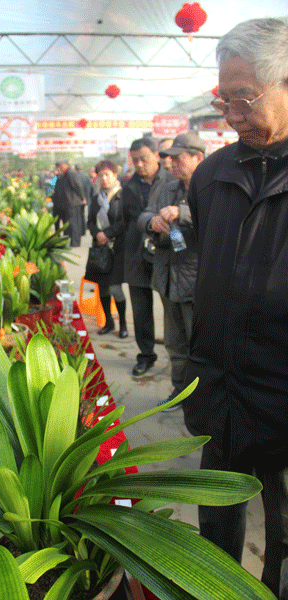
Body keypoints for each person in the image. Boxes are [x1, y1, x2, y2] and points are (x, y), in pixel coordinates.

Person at [182, 17, 288, 599]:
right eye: (224, 97)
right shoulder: (213, 174)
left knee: (286, 537)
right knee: (213, 531)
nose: (230, 112)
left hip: (282, 394)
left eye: (243, 97)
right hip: (219, 389)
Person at [137, 133, 205, 409]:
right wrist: (152, 221)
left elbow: (214, 217)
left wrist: (182, 213)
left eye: (178, 158)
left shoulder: (210, 187)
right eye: (170, 158)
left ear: (198, 157)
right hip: (167, 277)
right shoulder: (168, 187)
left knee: (199, 344)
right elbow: (145, 215)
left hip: (196, 280)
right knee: (175, 343)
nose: (172, 163)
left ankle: (202, 398)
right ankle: (180, 391)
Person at [122, 137, 175, 377]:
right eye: (135, 161)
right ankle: (146, 355)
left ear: (157, 155)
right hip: (136, 254)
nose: (140, 165)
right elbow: (123, 221)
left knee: (171, 309)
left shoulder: (172, 181)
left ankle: (178, 359)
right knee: (141, 309)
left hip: (165, 253)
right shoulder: (129, 186)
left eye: (144, 159)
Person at [87, 160, 128, 338]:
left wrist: (108, 234)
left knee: (116, 288)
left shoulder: (123, 196)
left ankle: (123, 324)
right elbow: (89, 221)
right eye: (101, 175)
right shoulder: (96, 199)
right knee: (102, 288)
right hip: (100, 250)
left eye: (107, 175)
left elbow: (125, 221)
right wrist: (97, 234)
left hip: (117, 248)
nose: (104, 179)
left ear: (115, 175)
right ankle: (108, 322)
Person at [51, 160, 86, 247]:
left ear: (64, 165)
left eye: (60, 166)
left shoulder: (71, 173)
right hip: (68, 203)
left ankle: (75, 243)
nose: (58, 168)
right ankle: (72, 241)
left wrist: (83, 197)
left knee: (74, 224)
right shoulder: (65, 174)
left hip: (73, 202)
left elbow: (77, 186)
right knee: (70, 223)